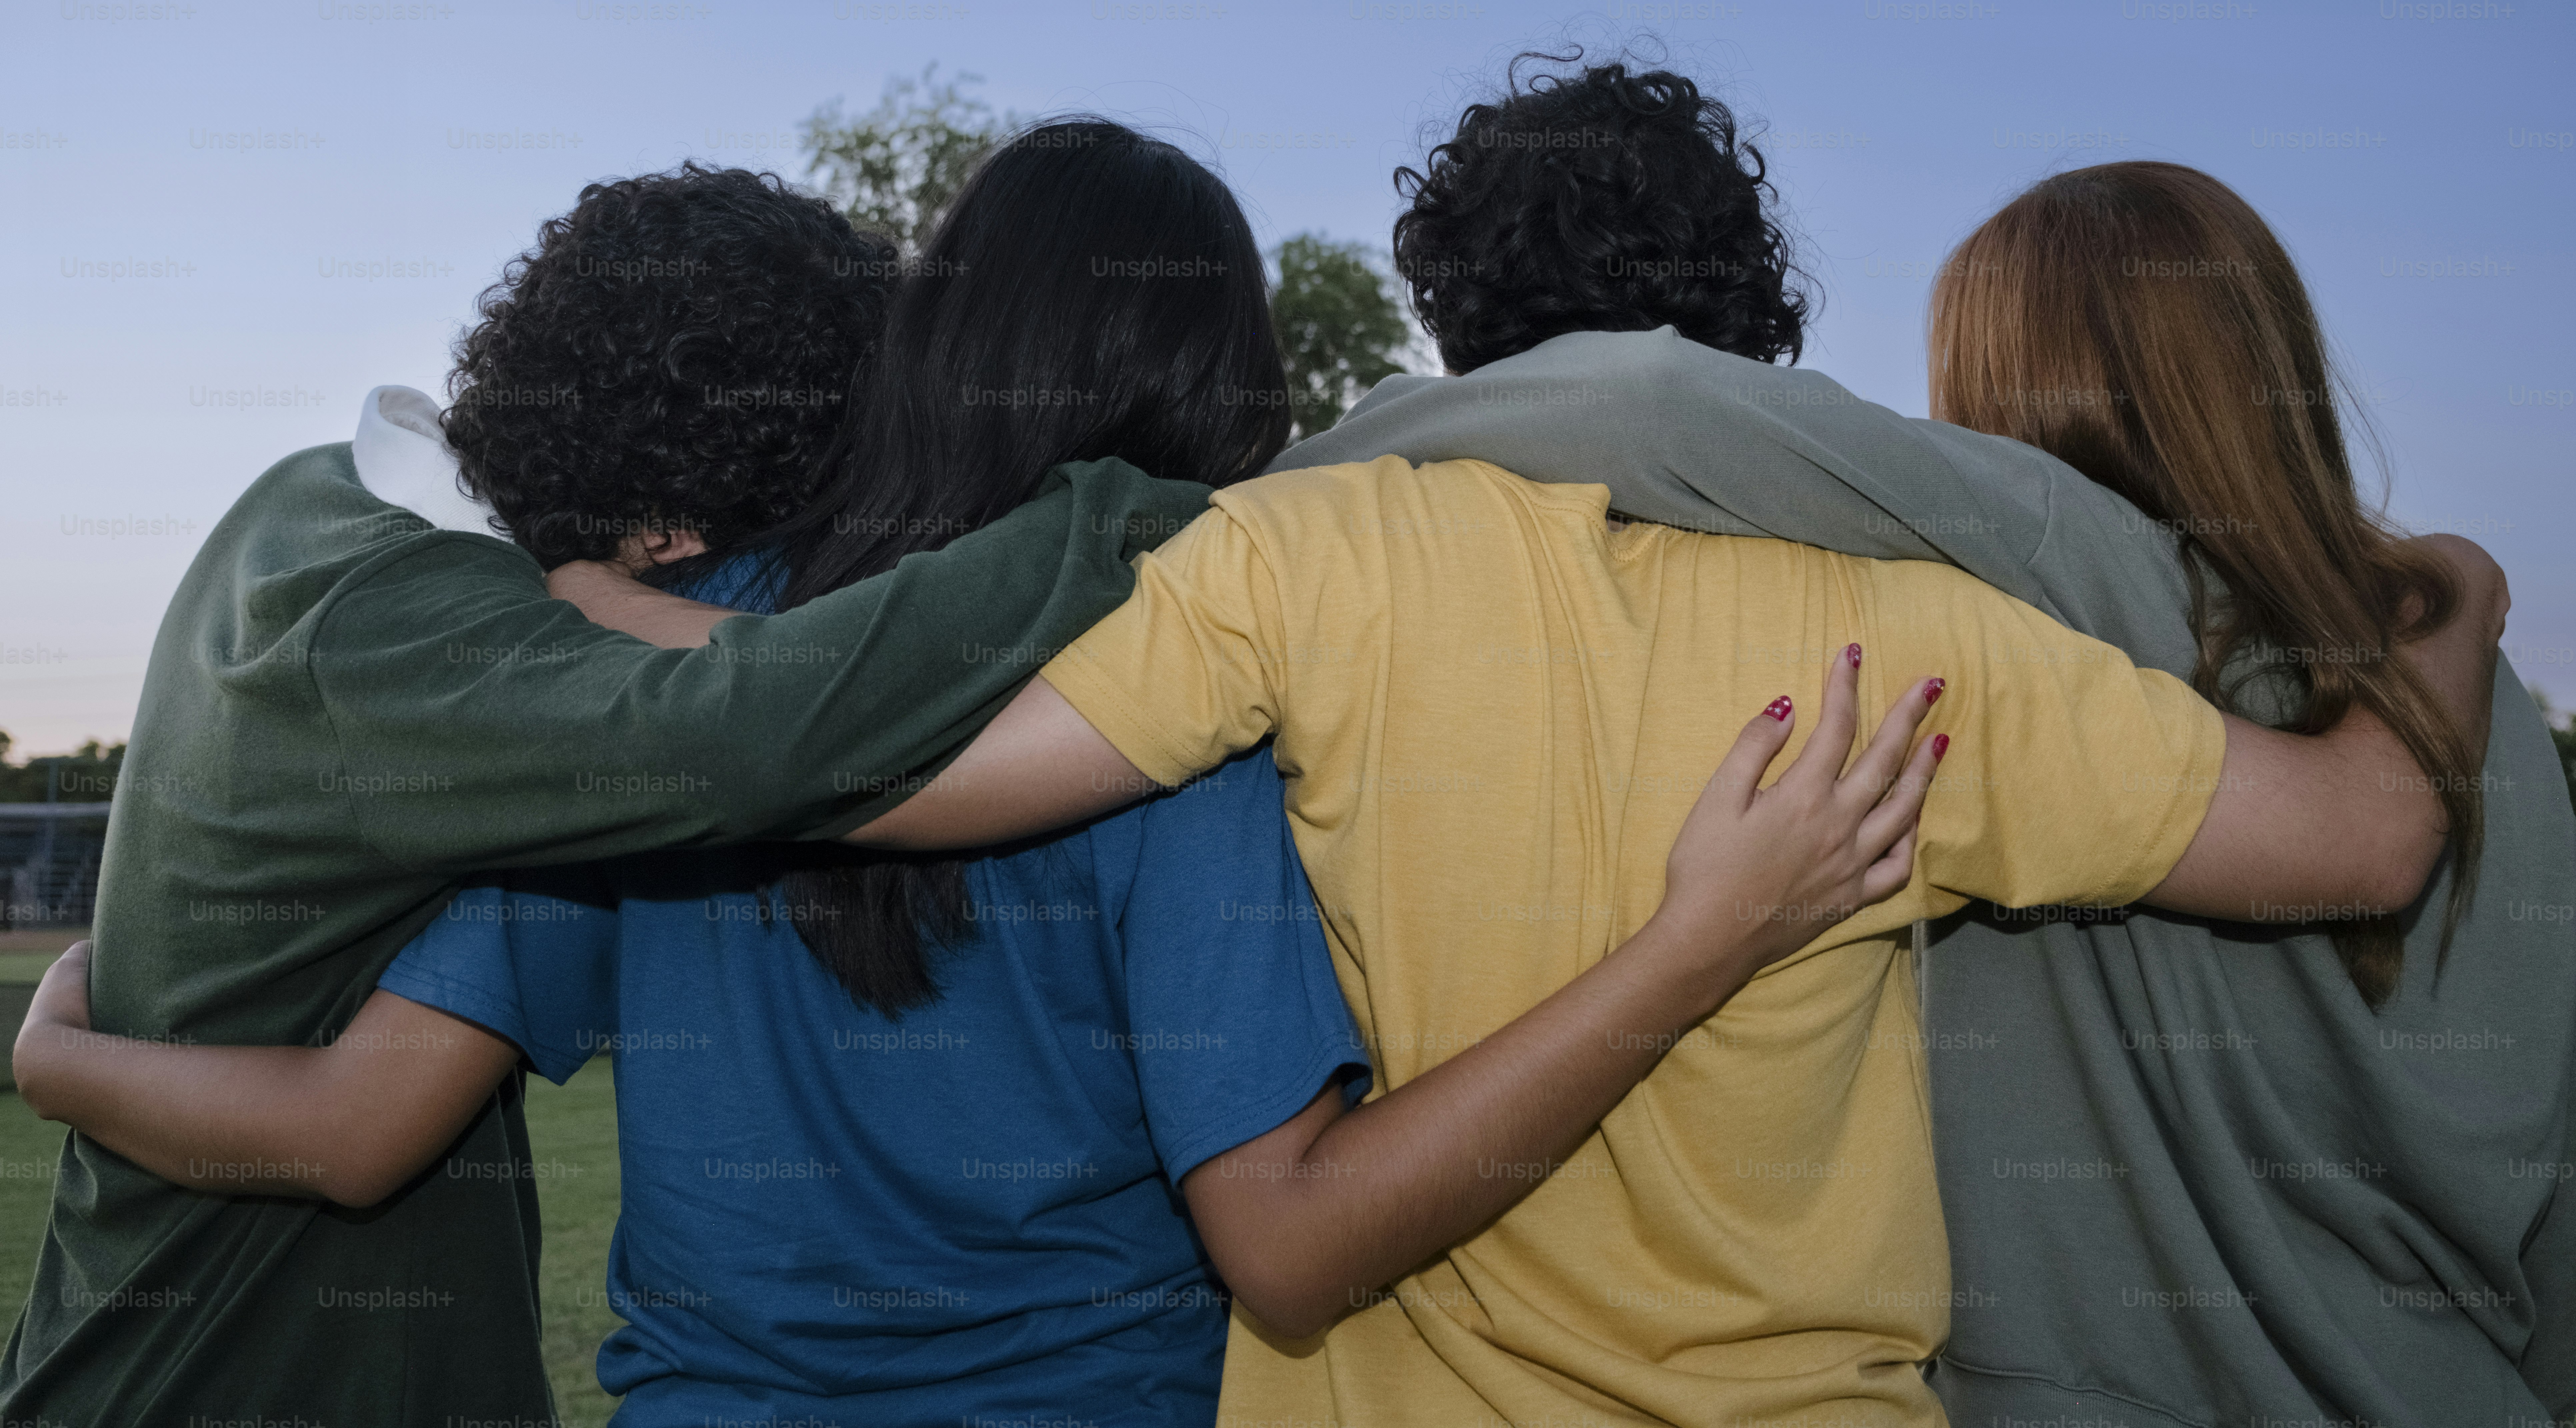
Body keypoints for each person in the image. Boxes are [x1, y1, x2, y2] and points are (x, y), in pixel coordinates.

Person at [524, 104, 2505, 1422]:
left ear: (1457, 317)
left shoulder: (1290, 557)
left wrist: (617, 616)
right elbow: (2363, 840)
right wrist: (2452, 596)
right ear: (1756, 319)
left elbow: (887, 758)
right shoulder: (1924, 643)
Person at [15, 121, 1948, 1428]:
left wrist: (63, 1056)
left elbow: (363, 1115)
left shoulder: (640, 669)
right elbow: (1289, 1241)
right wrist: (1692, 944)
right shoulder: (1177, 712)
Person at [1253, 60, 2572, 1423]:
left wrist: (1301, 475)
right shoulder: (2467, 695)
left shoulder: (2051, 564)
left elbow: (1645, 398)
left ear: (2016, 377)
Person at [0, 163, 1212, 1428]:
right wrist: (1116, 508)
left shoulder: (311, 501)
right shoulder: (431, 636)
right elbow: (761, 740)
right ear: (675, 535)